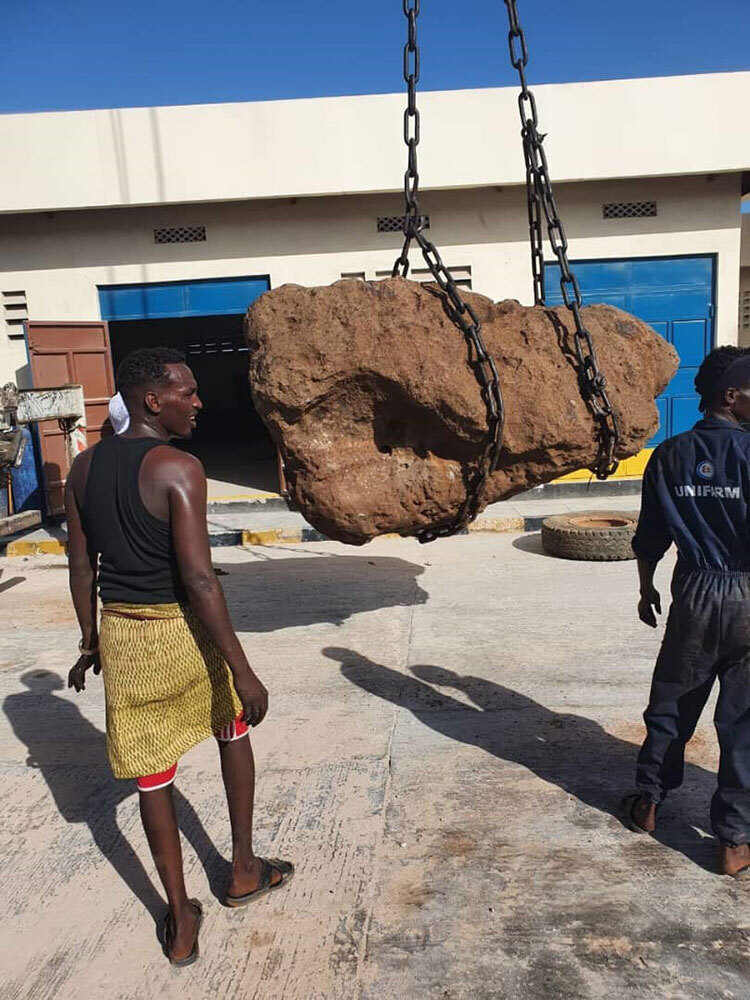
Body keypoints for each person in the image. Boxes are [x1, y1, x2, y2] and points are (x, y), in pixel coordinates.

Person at [64, 346, 293, 965]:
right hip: (184, 632)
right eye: (187, 393)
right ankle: (244, 871)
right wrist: (243, 669)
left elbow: (82, 564)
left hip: (126, 635)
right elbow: (199, 579)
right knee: (232, 728)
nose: (198, 403)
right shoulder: (178, 467)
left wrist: (90, 641)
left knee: (152, 776)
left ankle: (180, 921)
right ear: (151, 400)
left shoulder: (81, 471)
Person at [625, 345, 750, 878]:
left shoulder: (669, 454)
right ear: (730, 395)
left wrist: (646, 588)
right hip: (748, 593)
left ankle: (649, 803)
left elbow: (649, 536)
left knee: (674, 700)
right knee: (744, 721)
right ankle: (734, 841)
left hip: (695, 594)